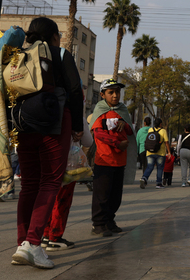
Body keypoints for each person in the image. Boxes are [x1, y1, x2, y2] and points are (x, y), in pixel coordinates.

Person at [11, 17, 84, 269]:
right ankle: (33, 244)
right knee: (50, 181)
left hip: (23, 124)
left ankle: (22, 243)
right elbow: (75, 90)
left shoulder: (19, 53)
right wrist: (77, 125)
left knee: (29, 184)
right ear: (54, 36)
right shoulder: (60, 53)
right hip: (55, 122)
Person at [89, 78, 134, 237]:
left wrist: (125, 123)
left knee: (115, 196)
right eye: (111, 92)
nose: (115, 95)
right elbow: (97, 133)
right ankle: (98, 224)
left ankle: (109, 220)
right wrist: (116, 144)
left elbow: (129, 131)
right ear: (102, 95)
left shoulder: (122, 110)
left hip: (119, 162)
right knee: (102, 195)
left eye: (117, 92)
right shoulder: (100, 110)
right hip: (104, 160)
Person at [41, 116, 93, 250]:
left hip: (47, 161)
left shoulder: (48, 111)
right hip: (68, 165)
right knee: (62, 200)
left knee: (48, 198)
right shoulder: (75, 116)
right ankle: (55, 237)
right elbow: (88, 141)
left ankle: (46, 234)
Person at [139, 118, 171, 189]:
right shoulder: (163, 131)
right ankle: (158, 183)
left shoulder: (150, 130)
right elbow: (166, 142)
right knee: (160, 168)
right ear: (160, 124)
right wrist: (169, 152)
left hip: (149, 152)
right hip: (160, 153)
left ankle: (144, 178)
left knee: (149, 167)